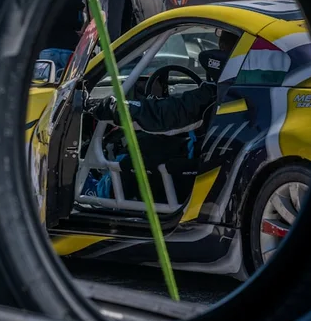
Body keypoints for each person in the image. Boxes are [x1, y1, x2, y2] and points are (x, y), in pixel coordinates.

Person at [83, 29, 240, 200]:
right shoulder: (243, 89)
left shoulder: (214, 95)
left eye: (221, 45)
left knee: (140, 149)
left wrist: (106, 107)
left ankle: (99, 191)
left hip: (199, 173)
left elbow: (161, 115)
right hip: (221, 165)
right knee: (152, 141)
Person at [38, 0, 87, 76]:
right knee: (70, 81)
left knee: (47, 82)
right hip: (70, 47)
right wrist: (83, 31)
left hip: (48, 48)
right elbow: (92, 11)